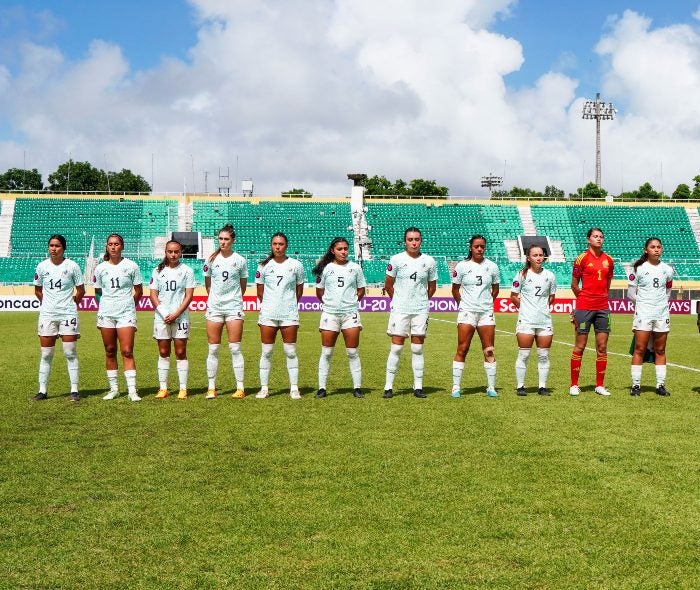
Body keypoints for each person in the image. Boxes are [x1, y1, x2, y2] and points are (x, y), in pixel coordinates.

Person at [383, 227, 437, 399]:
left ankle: (418, 387)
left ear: (421, 240)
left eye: (417, 239)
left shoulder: (429, 261)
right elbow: (388, 285)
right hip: (400, 309)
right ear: (405, 241)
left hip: (420, 310)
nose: (414, 243)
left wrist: (420, 301)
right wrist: (398, 301)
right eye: (410, 239)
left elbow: (432, 287)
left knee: (417, 348)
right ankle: (388, 387)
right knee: (397, 348)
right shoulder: (396, 259)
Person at [312, 237, 367, 398]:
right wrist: (331, 305)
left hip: (350, 314)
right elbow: (319, 292)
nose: (343, 252)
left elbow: (361, 289)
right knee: (327, 353)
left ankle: (357, 388)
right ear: (333, 251)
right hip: (330, 314)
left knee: (352, 352)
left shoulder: (355, 268)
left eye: (345, 248)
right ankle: (322, 388)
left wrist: (352, 303)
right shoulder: (325, 268)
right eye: (340, 249)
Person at [33, 235, 85, 401]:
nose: (53, 249)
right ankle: (42, 391)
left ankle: (74, 390)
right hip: (47, 315)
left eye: (57, 246)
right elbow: (38, 290)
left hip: (68, 314)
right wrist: (48, 304)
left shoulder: (72, 266)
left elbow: (81, 290)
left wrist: (71, 304)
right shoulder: (42, 267)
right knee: (46, 354)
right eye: (51, 246)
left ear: (63, 248)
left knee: (70, 352)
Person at [254, 232, 306, 399]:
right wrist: (271, 305)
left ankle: (294, 388)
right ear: (271, 245)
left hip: (289, 314)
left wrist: (288, 304)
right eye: (275, 244)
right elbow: (260, 292)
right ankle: (264, 388)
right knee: (267, 352)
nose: (277, 247)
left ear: (286, 246)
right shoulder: (263, 266)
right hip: (268, 314)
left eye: (281, 244)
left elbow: (299, 291)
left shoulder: (296, 265)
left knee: (290, 352)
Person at [94, 234, 144, 401]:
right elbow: (98, 292)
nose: (113, 247)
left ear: (122, 246)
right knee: (109, 351)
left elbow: (138, 291)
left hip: (126, 314)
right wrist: (105, 306)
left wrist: (129, 306)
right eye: (110, 244)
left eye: (116, 244)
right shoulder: (100, 268)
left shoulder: (131, 266)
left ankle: (132, 391)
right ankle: (114, 389)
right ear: (107, 247)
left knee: (127, 351)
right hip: (107, 314)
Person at [451, 235, 500, 397]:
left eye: (482, 247)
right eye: (477, 246)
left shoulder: (492, 266)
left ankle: (491, 387)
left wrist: (487, 303)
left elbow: (495, 289)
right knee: (462, 348)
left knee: (489, 350)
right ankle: (456, 387)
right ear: (470, 248)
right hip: (467, 312)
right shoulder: (462, 266)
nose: (480, 249)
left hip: (486, 313)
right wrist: (464, 304)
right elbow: (455, 290)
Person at [203, 224, 249, 399]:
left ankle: (240, 387)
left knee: (235, 348)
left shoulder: (240, 260)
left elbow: (242, 286)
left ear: (233, 240)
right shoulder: (211, 259)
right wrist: (215, 299)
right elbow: (208, 284)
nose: (223, 242)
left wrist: (233, 300)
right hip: (215, 308)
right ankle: (211, 387)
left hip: (233, 308)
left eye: (226, 239)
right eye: (220, 239)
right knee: (213, 349)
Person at [570, 227, 614, 397]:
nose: (599, 239)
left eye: (601, 237)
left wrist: (601, 298)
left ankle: (600, 385)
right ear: (588, 239)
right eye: (595, 236)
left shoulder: (609, 260)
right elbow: (574, 285)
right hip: (584, 308)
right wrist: (583, 301)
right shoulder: (581, 259)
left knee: (602, 347)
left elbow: (607, 285)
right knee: (580, 346)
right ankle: (574, 384)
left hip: (603, 308)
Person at [627, 237, 674, 396]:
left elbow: (668, 292)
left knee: (660, 349)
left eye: (659, 247)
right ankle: (636, 386)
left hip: (661, 314)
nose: (656, 249)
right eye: (653, 247)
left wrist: (659, 305)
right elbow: (631, 294)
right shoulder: (638, 268)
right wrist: (643, 305)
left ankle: (660, 385)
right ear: (646, 250)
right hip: (644, 314)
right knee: (639, 349)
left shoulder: (667, 269)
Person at [150, 240, 196, 400]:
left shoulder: (187, 271)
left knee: (181, 352)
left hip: (180, 316)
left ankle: (183, 388)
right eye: (170, 251)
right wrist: (164, 313)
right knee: (163, 352)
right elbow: (153, 295)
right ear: (165, 252)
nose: (173, 255)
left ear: (181, 252)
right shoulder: (157, 270)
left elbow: (189, 295)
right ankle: (163, 388)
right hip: (162, 317)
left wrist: (176, 314)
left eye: (176, 251)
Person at [510, 244, 557, 396]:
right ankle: (520, 386)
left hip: (544, 322)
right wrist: (525, 310)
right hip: (526, 321)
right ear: (528, 258)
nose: (538, 258)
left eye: (541, 255)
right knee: (524, 354)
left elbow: (551, 297)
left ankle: (542, 387)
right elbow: (513, 296)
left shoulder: (550, 275)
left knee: (544, 355)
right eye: (535, 255)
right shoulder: (522, 274)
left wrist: (541, 309)